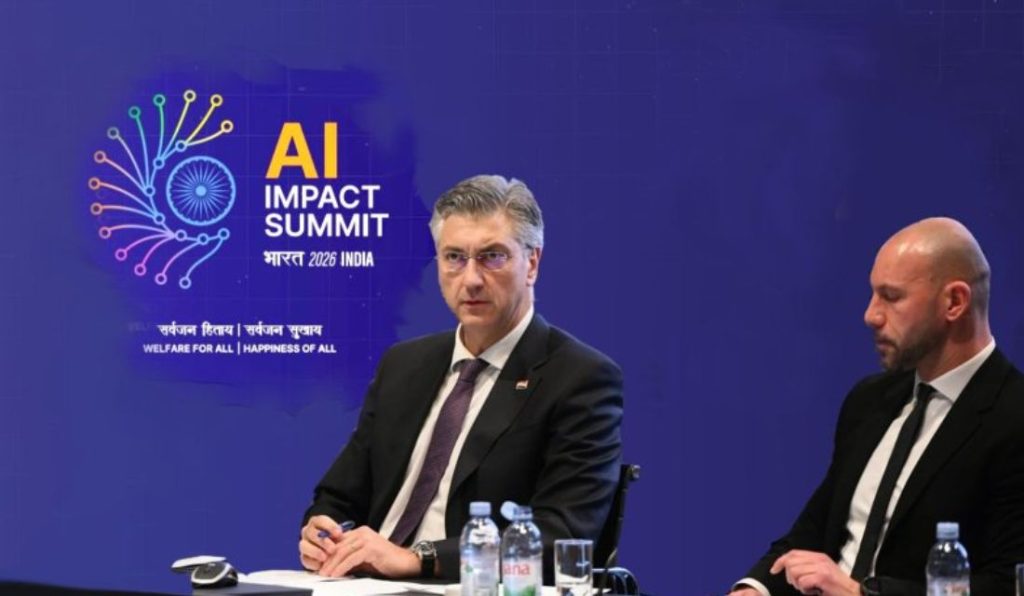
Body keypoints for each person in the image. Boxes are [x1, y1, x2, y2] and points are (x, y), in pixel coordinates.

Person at [298, 175, 623, 581]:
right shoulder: (404, 364)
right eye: (454, 257)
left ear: (532, 263)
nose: (470, 279)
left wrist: (419, 559)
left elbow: (562, 533)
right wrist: (322, 532)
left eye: (492, 257)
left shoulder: (579, 378)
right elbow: (338, 496)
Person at [731, 217, 1024, 595]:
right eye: (873, 294)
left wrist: (860, 594)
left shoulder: (1013, 417)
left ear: (954, 302)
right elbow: (813, 533)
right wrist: (755, 589)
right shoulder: (869, 401)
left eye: (892, 297)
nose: (871, 315)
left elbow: (1006, 585)